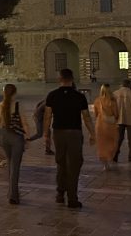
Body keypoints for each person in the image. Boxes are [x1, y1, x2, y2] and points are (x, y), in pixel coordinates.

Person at [44, 68, 95, 209]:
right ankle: (72, 198)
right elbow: (86, 117)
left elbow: (47, 116)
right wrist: (93, 133)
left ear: (59, 79)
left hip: (58, 133)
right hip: (74, 133)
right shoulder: (79, 96)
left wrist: (45, 134)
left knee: (61, 162)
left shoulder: (52, 95)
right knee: (74, 165)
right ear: (72, 79)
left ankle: (60, 193)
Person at [0, 84, 30, 205]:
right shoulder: (18, 106)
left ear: (4, 93)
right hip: (16, 137)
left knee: (10, 163)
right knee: (15, 166)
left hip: (4, 136)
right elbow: (25, 124)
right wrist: (27, 138)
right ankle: (13, 194)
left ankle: (11, 192)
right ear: (15, 93)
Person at [113, 78, 131, 163]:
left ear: (121, 85)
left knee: (118, 138)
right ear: (130, 85)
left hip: (118, 119)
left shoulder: (115, 94)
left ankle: (115, 154)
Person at [93, 84, 119, 171]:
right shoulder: (113, 101)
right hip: (111, 125)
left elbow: (95, 114)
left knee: (102, 144)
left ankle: (105, 164)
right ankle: (110, 157)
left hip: (100, 125)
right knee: (112, 142)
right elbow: (116, 114)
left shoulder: (97, 100)